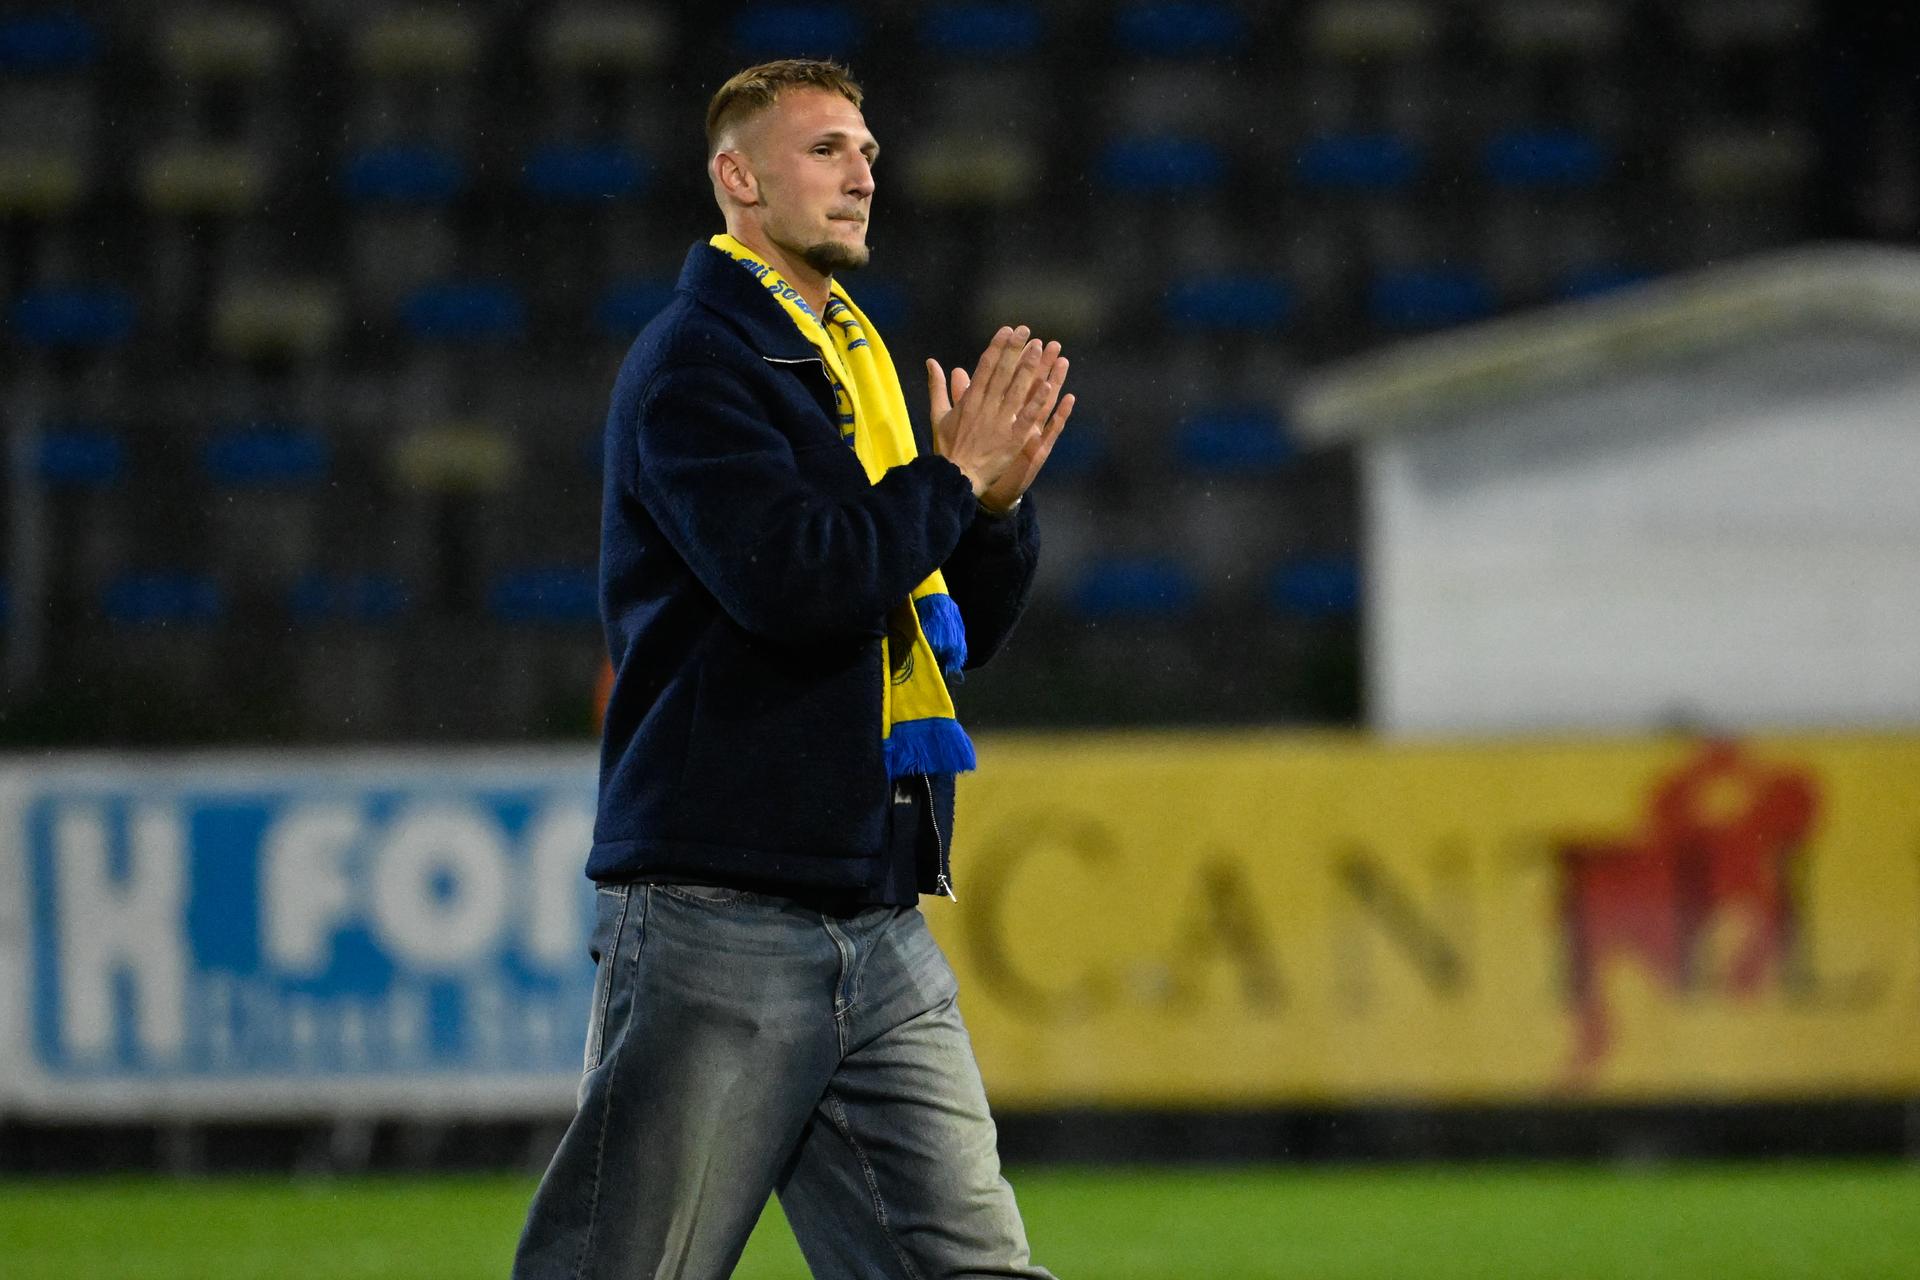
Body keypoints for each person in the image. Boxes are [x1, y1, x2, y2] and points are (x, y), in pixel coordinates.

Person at [513, 59, 1073, 1280]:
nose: (864, 169)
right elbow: (799, 582)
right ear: (738, 180)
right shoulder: (696, 364)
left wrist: (988, 516)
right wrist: (945, 484)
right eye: (825, 148)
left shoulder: (845, 357)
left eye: (866, 148)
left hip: (870, 906)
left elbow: (937, 624)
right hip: (724, 908)